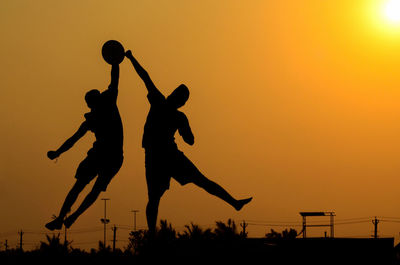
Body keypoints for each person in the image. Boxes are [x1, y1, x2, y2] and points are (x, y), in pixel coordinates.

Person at [125, 50, 252, 235]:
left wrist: (130, 58)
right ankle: (234, 203)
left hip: (165, 155)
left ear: (177, 100)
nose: (173, 95)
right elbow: (144, 76)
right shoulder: (167, 107)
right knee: (159, 196)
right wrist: (131, 58)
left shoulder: (169, 109)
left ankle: (234, 203)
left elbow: (145, 77)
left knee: (188, 186)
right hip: (159, 156)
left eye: (177, 95)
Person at [45, 64, 124, 230]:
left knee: (86, 188)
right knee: (85, 188)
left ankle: (68, 217)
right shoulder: (96, 114)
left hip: (111, 156)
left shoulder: (107, 102)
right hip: (103, 155)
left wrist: (115, 62)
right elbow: (73, 139)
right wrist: (57, 152)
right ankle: (64, 218)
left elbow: (115, 79)